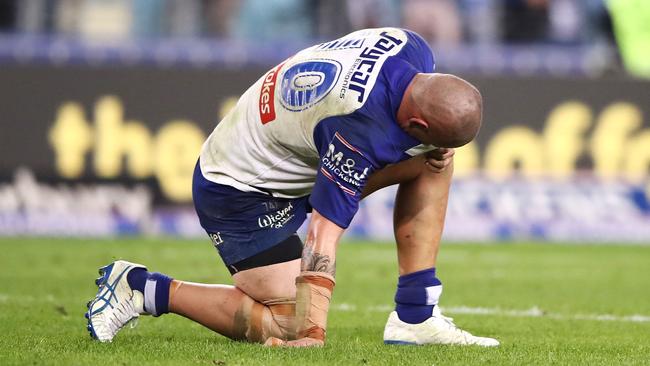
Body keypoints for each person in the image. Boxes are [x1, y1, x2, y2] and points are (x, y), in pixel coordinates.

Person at [85, 27, 499, 347]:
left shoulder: (409, 44)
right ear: (419, 122)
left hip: (291, 153)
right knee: (287, 321)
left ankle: (415, 317)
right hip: (238, 188)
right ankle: (140, 286)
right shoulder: (356, 126)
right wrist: (311, 333)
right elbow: (324, 232)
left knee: (432, 161)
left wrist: (431, 147)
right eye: (429, 135)